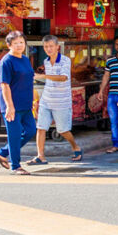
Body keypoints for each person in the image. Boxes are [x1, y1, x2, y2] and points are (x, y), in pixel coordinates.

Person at [30, 35, 82, 165]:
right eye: (46, 47)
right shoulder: (46, 61)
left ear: (57, 47)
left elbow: (63, 77)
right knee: (41, 128)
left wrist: (43, 76)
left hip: (62, 102)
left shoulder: (65, 60)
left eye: (51, 46)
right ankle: (40, 156)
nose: (49, 49)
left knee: (63, 130)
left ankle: (75, 147)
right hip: (46, 100)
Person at [0, 31, 36, 175]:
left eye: (21, 42)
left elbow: (29, 79)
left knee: (30, 131)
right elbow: (4, 85)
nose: (19, 45)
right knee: (15, 135)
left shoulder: (25, 59)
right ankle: (15, 165)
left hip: (26, 103)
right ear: (9, 45)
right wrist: (10, 106)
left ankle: (2, 153)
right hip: (12, 105)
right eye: (16, 43)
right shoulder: (6, 61)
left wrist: (33, 99)